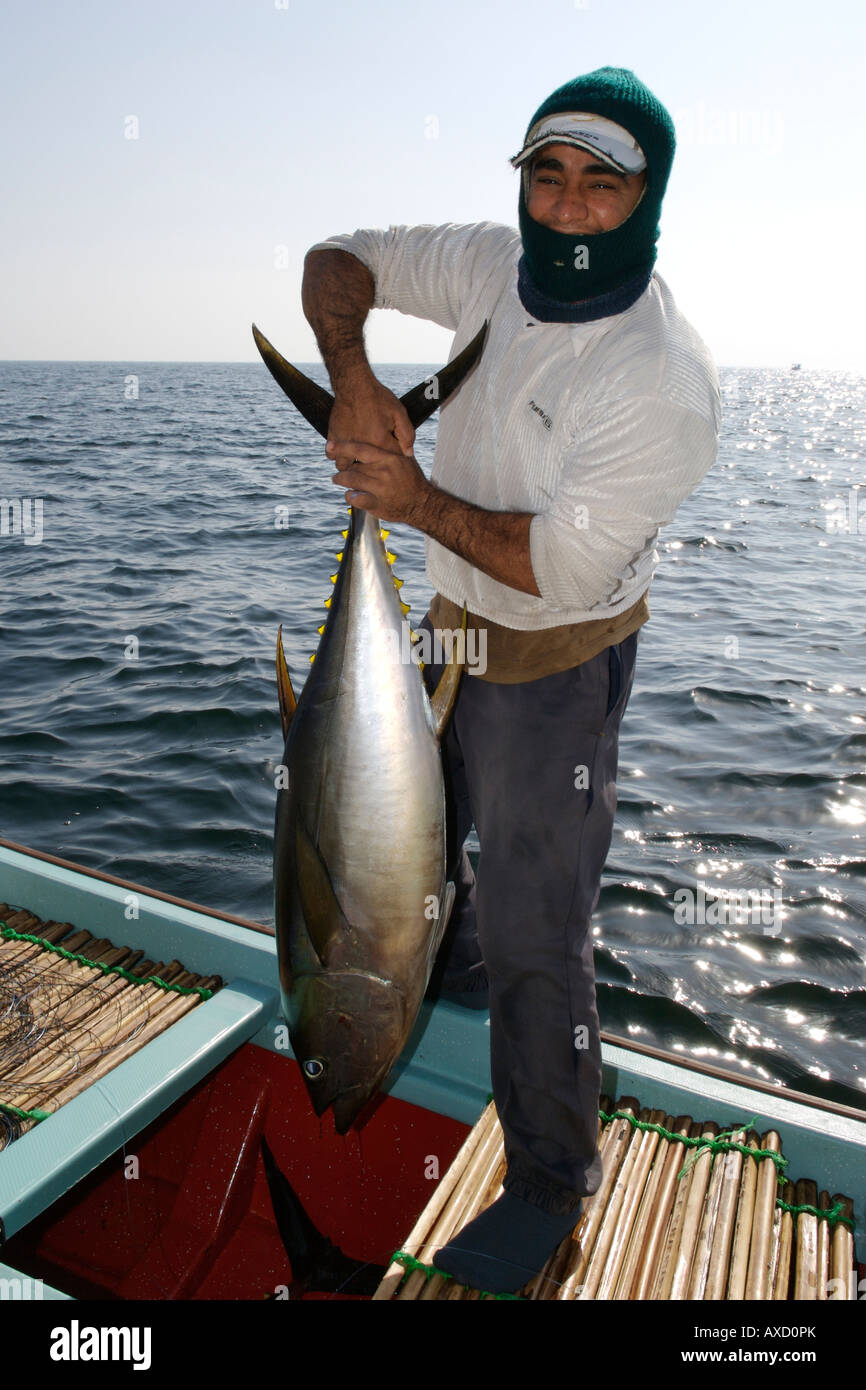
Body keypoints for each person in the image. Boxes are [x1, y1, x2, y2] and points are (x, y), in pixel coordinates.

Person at [301, 66, 720, 1294]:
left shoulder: (658, 378)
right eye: (549, 173)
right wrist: (355, 374)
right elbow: (338, 258)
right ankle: (458, 948)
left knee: (543, 931)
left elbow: (551, 564)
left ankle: (548, 1176)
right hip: (442, 624)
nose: (570, 203)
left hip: (552, 659)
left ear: (647, 198)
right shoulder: (490, 261)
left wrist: (408, 496)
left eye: (603, 181)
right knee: (389, 857)